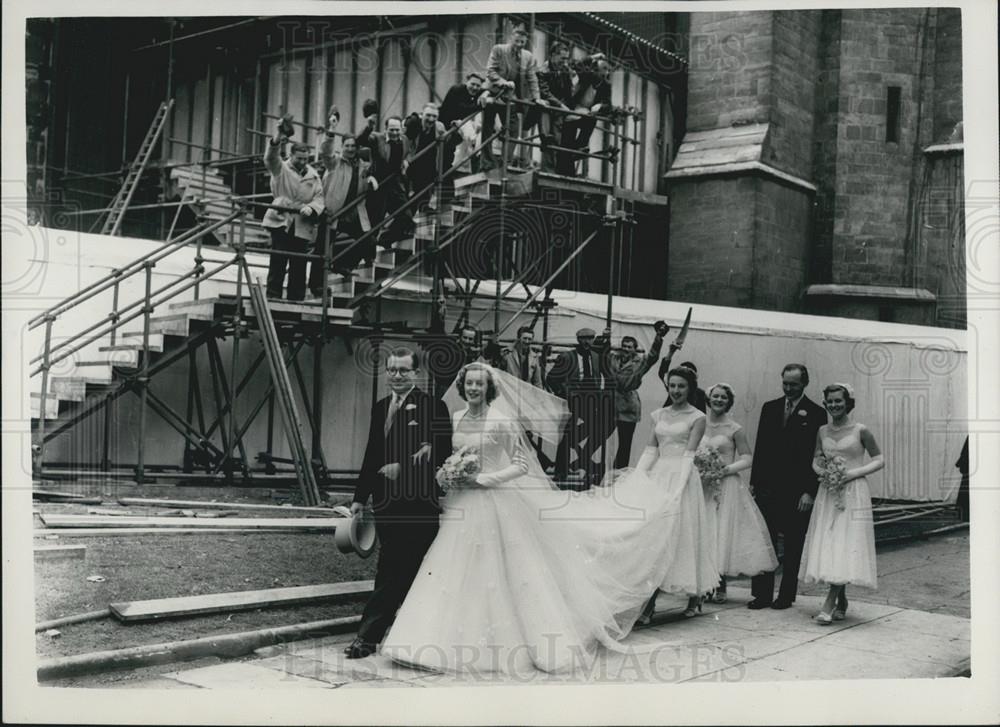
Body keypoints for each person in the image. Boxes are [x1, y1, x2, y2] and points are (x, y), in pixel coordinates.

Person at [379, 363, 693, 676]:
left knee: (499, 569)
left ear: (489, 389)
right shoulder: (456, 418)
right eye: (469, 383)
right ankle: (425, 641)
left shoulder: (502, 421)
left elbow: (520, 464)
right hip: (463, 503)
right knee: (453, 566)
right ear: (462, 387)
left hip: (493, 500)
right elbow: (448, 455)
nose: (474, 388)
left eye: (479, 384)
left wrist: (487, 479)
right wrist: (446, 473)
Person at [344, 347, 453, 659]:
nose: (397, 375)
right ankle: (403, 638)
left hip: (418, 505)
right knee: (398, 571)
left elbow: (442, 452)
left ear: (416, 373)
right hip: (386, 504)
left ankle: (367, 639)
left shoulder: (433, 406)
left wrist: (404, 467)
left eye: (404, 370)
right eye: (392, 370)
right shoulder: (380, 407)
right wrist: (358, 498)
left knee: (394, 570)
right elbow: (371, 453)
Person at [638, 366, 718, 621]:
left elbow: (688, 455)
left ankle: (695, 597)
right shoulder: (658, 414)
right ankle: (648, 603)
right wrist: (636, 479)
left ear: (690, 388)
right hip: (659, 476)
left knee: (684, 536)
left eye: (681, 386)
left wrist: (678, 488)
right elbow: (651, 450)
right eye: (672, 386)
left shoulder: (697, 417)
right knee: (655, 538)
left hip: (682, 479)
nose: (675, 391)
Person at [800, 383, 883, 623]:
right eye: (830, 401)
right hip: (829, 490)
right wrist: (821, 470)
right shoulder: (822, 431)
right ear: (825, 404)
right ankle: (841, 598)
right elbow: (816, 457)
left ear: (848, 403)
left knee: (845, 542)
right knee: (831, 542)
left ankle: (829, 602)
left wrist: (853, 473)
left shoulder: (861, 430)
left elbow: (879, 459)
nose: (834, 405)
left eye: (839, 401)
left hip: (853, 491)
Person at [747, 363, 828, 610]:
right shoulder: (769, 408)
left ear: (805, 383)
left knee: (793, 543)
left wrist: (809, 491)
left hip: (796, 490)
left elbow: (818, 455)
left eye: (794, 384)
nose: (789, 388)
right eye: (785, 383)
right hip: (768, 487)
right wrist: (754, 483)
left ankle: (786, 594)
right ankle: (761, 594)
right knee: (765, 540)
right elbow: (760, 448)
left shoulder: (816, 413)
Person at [700, 383, 778, 604]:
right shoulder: (698, 424)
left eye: (723, 398)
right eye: (715, 396)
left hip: (726, 485)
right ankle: (705, 584)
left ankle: (721, 585)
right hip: (703, 484)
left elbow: (747, 457)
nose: (719, 400)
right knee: (705, 531)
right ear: (709, 398)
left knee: (721, 532)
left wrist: (724, 470)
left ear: (729, 402)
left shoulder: (735, 428)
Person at [262, 127, 324, 301]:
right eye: (299, 159)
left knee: (299, 264)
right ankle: (273, 296)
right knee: (278, 261)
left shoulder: (314, 176)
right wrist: (276, 137)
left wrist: (312, 208)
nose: (303, 162)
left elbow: (320, 198)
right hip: (282, 220)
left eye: (306, 159)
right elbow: (270, 157)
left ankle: (296, 298)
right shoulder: (280, 168)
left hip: (302, 224)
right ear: (291, 155)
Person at [546, 326, 613, 485]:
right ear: (578, 340)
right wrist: (564, 393)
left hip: (591, 400)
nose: (586, 342)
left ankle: (580, 461)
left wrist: (602, 393)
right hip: (573, 400)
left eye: (590, 338)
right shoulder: (568, 357)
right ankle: (561, 472)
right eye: (583, 339)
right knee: (567, 433)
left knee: (599, 427)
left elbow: (606, 376)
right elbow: (551, 378)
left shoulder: (596, 357)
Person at [317, 117, 379, 281]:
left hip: (354, 212)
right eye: (347, 146)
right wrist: (331, 131)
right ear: (342, 146)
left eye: (353, 146)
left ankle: (343, 264)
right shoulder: (334, 162)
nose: (350, 149)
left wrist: (371, 179)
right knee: (321, 250)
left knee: (369, 242)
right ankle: (316, 285)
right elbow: (325, 152)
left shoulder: (363, 165)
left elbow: (372, 171)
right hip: (333, 211)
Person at [481, 21, 544, 170]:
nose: (519, 45)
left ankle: (505, 162)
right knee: (487, 129)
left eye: (522, 42)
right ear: (511, 39)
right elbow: (490, 71)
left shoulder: (527, 57)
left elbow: (532, 78)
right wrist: (503, 82)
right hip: (493, 94)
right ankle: (487, 163)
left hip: (510, 98)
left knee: (514, 130)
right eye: (517, 41)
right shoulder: (498, 50)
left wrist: (537, 97)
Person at [606, 323, 668, 469]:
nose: (626, 349)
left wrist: (658, 337)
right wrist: (604, 336)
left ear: (634, 349)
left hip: (628, 406)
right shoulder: (612, 358)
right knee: (599, 437)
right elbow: (601, 352)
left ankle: (618, 473)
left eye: (629, 347)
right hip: (611, 403)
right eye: (624, 346)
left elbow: (653, 356)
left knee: (624, 444)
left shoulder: (640, 362)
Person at [357, 114, 413, 249]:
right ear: (385, 129)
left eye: (397, 130)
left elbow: (409, 152)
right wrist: (369, 127)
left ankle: (383, 240)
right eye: (391, 130)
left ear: (402, 129)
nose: (394, 133)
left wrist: (406, 161)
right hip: (378, 184)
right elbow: (361, 140)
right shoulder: (377, 138)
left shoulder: (404, 140)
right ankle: (366, 255)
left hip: (395, 184)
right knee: (375, 221)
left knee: (406, 216)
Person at [561, 53, 613, 176]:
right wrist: (593, 57)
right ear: (595, 69)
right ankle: (568, 171)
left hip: (587, 113)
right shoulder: (587, 76)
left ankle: (580, 147)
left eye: (607, 70)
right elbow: (577, 64)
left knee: (591, 120)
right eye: (603, 69)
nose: (605, 73)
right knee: (567, 143)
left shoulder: (606, 85)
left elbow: (608, 105)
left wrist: (600, 106)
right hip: (573, 110)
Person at [536, 40, 575, 173]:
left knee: (557, 141)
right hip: (546, 109)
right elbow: (544, 93)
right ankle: (548, 171)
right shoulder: (543, 71)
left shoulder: (565, 70)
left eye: (566, 59)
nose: (564, 62)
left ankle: (552, 170)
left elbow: (568, 92)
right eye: (562, 58)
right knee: (548, 138)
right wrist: (561, 105)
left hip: (558, 112)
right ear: (552, 55)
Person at [439, 72, 488, 174]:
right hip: (445, 126)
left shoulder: (478, 92)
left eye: (478, 85)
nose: (474, 88)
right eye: (472, 84)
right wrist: (479, 106)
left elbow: (489, 90)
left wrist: (486, 93)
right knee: (442, 156)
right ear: (467, 82)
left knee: (451, 156)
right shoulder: (456, 90)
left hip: (457, 128)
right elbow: (461, 109)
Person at [405, 103, 447, 211]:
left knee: (423, 199)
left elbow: (448, 141)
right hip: (413, 167)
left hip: (430, 168)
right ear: (422, 114)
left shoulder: (439, 126)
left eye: (434, 116)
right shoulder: (414, 125)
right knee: (409, 201)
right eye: (428, 115)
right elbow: (404, 142)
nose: (431, 119)